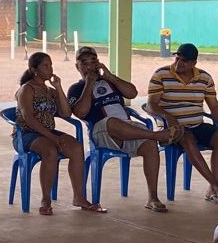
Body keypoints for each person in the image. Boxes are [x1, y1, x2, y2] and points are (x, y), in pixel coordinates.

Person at [67, 46, 176, 213]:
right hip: (102, 131)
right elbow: (80, 113)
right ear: (77, 67)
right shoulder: (76, 88)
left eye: (93, 61)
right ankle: (156, 135)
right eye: (85, 63)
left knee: (150, 147)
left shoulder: (110, 81)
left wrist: (110, 76)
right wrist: (88, 84)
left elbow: (132, 93)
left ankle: (152, 198)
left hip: (128, 129)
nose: (90, 66)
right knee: (112, 122)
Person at [14, 51, 103, 215]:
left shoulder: (50, 91)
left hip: (48, 132)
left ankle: (79, 196)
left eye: (51, 65)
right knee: (50, 151)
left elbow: (66, 113)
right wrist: (53, 137)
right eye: (45, 66)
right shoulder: (27, 89)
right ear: (34, 70)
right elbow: (29, 119)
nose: (50, 69)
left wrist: (59, 88)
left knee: (76, 148)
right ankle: (46, 199)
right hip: (27, 134)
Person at [148, 43, 218, 204]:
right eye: (177, 58)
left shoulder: (204, 78)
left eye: (184, 61)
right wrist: (169, 117)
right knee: (187, 139)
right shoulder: (161, 74)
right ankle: (216, 186)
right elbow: (151, 105)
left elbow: (214, 106)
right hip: (171, 128)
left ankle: (212, 189)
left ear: (194, 63)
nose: (178, 63)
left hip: (197, 124)